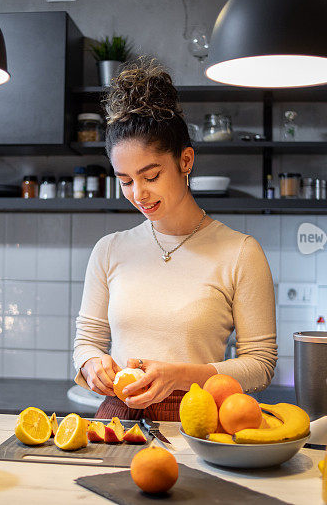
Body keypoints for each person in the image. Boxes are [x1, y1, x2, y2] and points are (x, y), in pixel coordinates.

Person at [72, 57, 277, 421]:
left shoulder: (240, 252)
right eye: (125, 180)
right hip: (115, 420)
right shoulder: (109, 250)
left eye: (150, 176)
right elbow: (86, 341)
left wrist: (180, 376)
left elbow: (259, 366)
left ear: (185, 160)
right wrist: (91, 364)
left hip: (197, 420)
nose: (138, 194)